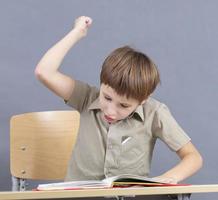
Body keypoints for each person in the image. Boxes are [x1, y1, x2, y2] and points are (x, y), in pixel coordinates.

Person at [35, 16, 203, 184]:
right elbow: (44, 72)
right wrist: (76, 33)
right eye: (107, 97)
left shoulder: (154, 112)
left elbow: (193, 157)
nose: (110, 110)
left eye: (123, 105)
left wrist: (166, 179)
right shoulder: (86, 97)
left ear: (143, 100)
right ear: (101, 84)